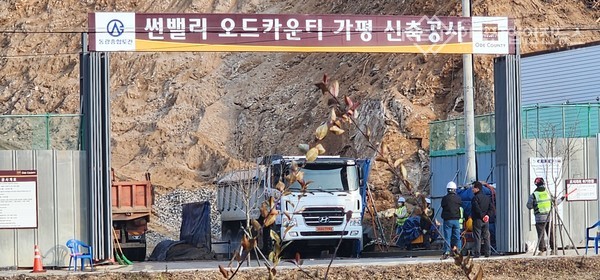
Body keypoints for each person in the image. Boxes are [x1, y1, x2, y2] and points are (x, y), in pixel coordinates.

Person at [526, 177, 554, 254]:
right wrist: (562, 199)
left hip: (539, 218)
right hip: (549, 218)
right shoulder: (548, 193)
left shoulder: (534, 195)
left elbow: (529, 206)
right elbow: (554, 203)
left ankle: (541, 250)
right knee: (550, 234)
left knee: (541, 235)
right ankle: (553, 248)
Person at [441, 181, 462, 259]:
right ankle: (458, 250)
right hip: (456, 220)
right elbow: (460, 205)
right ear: (455, 190)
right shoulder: (458, 198)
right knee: (457, 236)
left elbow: (443, 205)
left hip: (447, 220)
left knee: (447, 236)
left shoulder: (445, 198)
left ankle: (447, 251)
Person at [471, 181, 491, 258]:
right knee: (486, 236)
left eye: (474, 188)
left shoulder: (475, 198)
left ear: (477, 189)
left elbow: (476, 208)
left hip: (477, 220)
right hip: (486, 220)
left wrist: (482, 216)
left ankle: (477, 253)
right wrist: (487, 216)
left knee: (477, 237)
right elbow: (491, 208)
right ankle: (487, 252)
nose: (472, 189)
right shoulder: (487, 198)